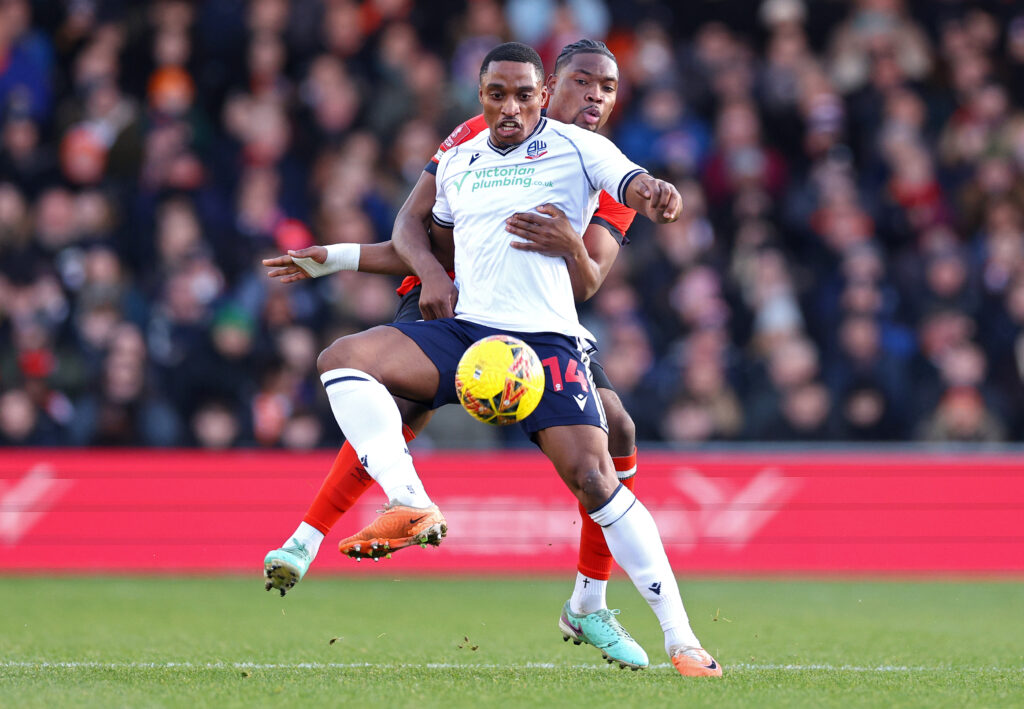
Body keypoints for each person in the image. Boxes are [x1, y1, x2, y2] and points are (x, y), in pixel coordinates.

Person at [278, 41, 718, 678]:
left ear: (539, 94)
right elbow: (423, 234)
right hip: (460, 314)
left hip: (544, 333)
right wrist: (353, 260)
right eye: (584, 83)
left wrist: (643, 199)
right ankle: (378, 512)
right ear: (549, 85)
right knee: (354, 368)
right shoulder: (465, 150)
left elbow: (598, 262)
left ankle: (643, 622)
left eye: (610, 87)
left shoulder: (591, 156)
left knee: (607, 452)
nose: (596, 97)